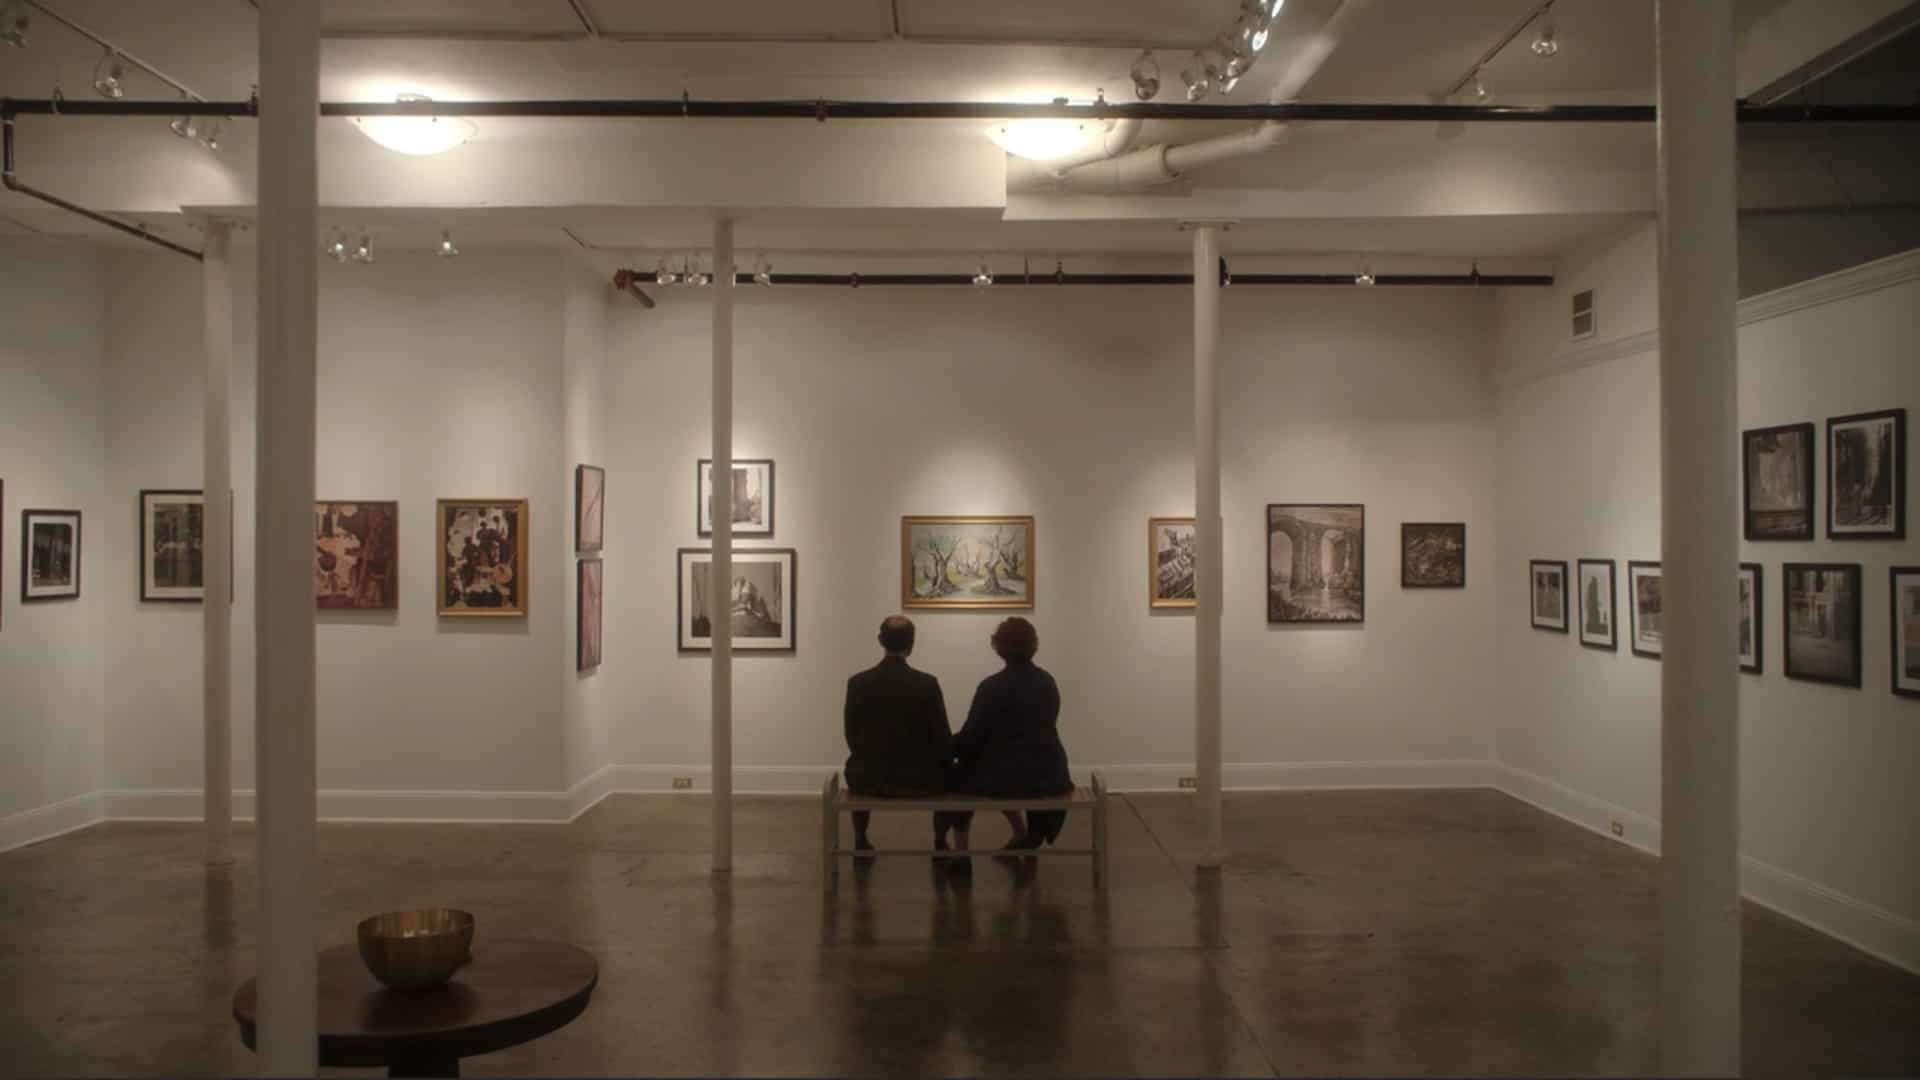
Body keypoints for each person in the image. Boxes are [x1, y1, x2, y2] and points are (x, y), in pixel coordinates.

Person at [952, 616, 1073, 850]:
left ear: (998, 647)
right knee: (1001, 766)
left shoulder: (991, 687)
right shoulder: (1046, 682)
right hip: (1047, 775)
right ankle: (1021, 832)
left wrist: (946, 747)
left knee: (958, 777)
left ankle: (961, 852)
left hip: (1003, 778)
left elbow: (971, 737)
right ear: (1033, 646)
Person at [842, 615, 960, 855]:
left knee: (860, 762)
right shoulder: (927, 684)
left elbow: (851, 735)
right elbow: (941, 737)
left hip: (869, 778)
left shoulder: (858, 683)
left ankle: (861, 839)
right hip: (921, 780)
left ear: (880, 640)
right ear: (912, 643)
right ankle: (940, 840)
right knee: (951, 773)